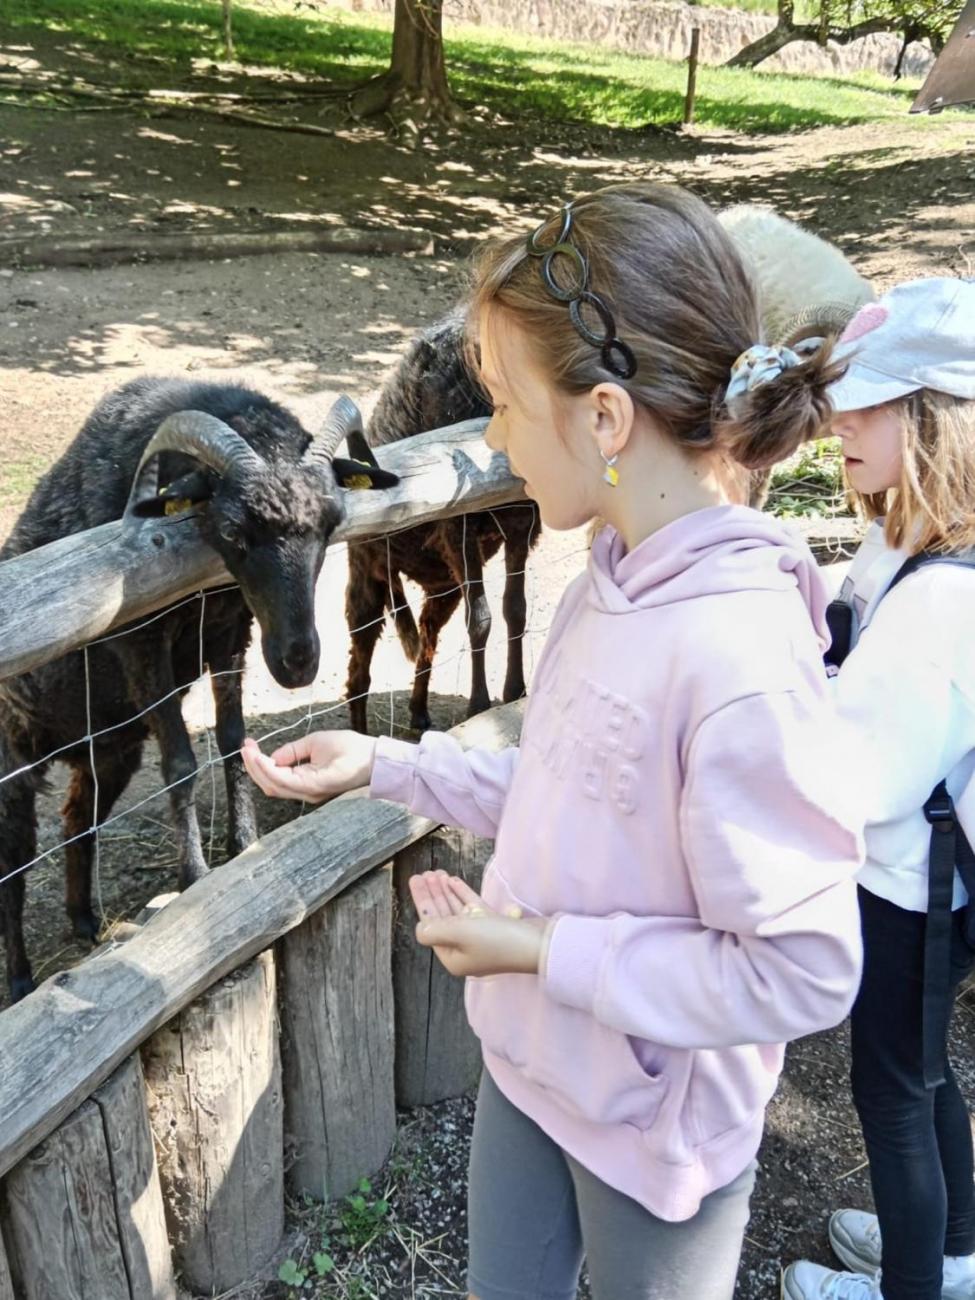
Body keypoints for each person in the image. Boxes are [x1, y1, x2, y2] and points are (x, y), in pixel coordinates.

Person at [242, 181, 864, 1300]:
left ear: (605, 419)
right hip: (531, 1068)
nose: (493, 436)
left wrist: (541, 949)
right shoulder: (608, 583)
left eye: (507, 403)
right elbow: (571, 784)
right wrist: (388, 764)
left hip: (653, 1135)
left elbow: (803, 968)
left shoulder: (740, 662)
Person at [781, 277, 975, 1300]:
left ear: (935, 419)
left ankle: (912, 1286)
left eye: (868, 406)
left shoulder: (942, 598)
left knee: (892, 1090)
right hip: (931, 875)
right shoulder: (915, 531)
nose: (837, 424)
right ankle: (953, 1256)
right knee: (922, 1069)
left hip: (912, 888)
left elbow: (855, 782)